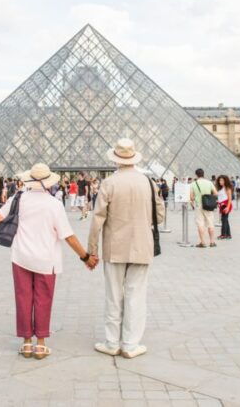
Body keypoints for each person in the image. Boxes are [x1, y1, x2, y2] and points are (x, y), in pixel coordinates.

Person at [0, 163, 95, 360]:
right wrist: (85, 257)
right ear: (49, 182)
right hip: (46, 259)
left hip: (21, 256)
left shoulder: (18, 198)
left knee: (23, 298)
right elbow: (69, 236)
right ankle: (40, 344)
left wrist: (12, 221)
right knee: (43, 299)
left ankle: (26, 343)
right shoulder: (54, 204)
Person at [89, 139, 165, 359]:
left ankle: (112, 342)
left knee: (113, 295)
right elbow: (160, 215)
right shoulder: (149, 183)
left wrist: (92, 249)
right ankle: (131, 345)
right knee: (136, 295)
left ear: (115, 159)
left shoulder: (109, 183)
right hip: (142, 245)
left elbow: (97, 219)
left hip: (115, 247)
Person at [189, 168, 217, 248]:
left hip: (199, 206)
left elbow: (191, 197)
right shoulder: (209, 182)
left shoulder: (193, 184)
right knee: (210, 223)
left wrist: (196, 197)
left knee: (200, 224)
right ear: (203, 174)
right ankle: (212, 242)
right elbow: (215, 193)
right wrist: (208, 196)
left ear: (196, 175)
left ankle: (203, 242)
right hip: (208, 205)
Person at [215, 175, 234, 240]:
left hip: (226, 205)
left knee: (224, 220)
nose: (220, 181)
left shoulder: (227, 188)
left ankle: (223, 234)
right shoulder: (221, 188)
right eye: (220, 180)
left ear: (225, 181)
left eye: (222, 180)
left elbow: (230, 199)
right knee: (225, 220)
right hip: (222, 205)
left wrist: (228, 207)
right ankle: (228, 235)